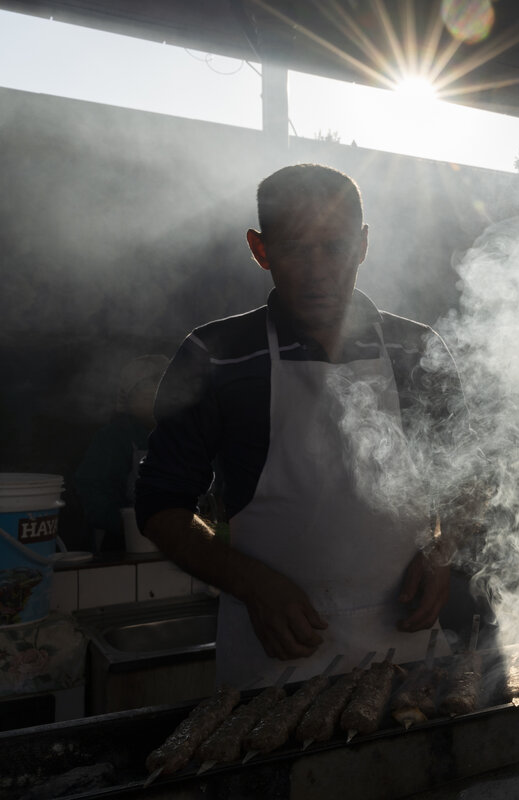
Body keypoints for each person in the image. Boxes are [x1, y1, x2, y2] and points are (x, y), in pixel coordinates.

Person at [135, 164, 463, 688]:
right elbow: (160, 506)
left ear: (362, 245)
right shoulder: (215, 356)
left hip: (408, 654)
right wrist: (254, 586)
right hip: (273, 662)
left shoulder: (415, 349)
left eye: (333, 247)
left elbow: (470, 475)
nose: (316, 271)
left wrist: (444, 551)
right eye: (293, 248)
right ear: (260, 249)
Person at [72, 354, 169, 552]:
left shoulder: (184, 435)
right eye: (147, 390)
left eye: (163, 388)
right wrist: (127, 523)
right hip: (125, 545)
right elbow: (92, 492)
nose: (157, 396)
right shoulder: (115, 438)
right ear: (128, 398)